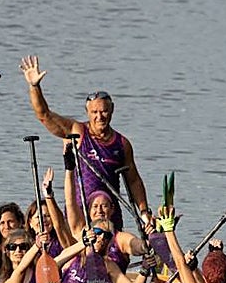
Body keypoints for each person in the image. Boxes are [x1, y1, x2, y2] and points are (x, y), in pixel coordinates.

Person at [20, 55, 149, 230]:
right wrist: (34, 86)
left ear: (112, 111)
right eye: (94, 112)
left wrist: (144, 213)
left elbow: (133, 181)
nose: (99, 116)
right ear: (87, 112)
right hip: (79, 213)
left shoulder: (122, 143)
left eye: (103, 111)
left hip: (110, 213)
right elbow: (44, 115)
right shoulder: (77, 131)